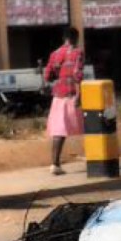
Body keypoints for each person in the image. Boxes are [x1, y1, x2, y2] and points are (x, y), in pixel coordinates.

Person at [43, 26, 84, 174]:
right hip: (72, 94)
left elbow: (47, 76)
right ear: (76, 38)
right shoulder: (78, 52)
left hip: (58, 96)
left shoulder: (55, 54)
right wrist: (80, 95)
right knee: (92, 125)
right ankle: (97, 157)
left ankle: (55, 164)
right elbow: (77, 74)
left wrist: (57, 75)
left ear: (63, 38)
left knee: (58, 131)